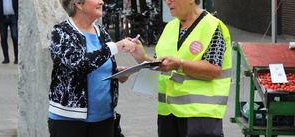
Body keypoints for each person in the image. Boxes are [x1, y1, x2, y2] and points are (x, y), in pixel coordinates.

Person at [130, 0, 232, 136]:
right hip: (167, 112)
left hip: (200, 115)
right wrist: (144, 58)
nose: (167, 1)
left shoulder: (212, 26)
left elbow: (214, 70)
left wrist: (179, 64)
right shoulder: (170, 27)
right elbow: (163, 63)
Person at [47, 0, 137, 137]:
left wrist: (116, 72)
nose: (102, 1)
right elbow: (79, 63)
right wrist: (116, 46)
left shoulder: (101, 31)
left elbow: (98, 62)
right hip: (69, 120)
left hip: (104, 118)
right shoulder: (61, 33)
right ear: (78, 3)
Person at [0, 0, 18, 64]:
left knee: (14, 36)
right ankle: (6, 58)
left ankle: (17, 57)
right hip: (2, 18)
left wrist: (17, 16)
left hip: (13, 17)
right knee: (3, 38)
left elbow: (18, 5)